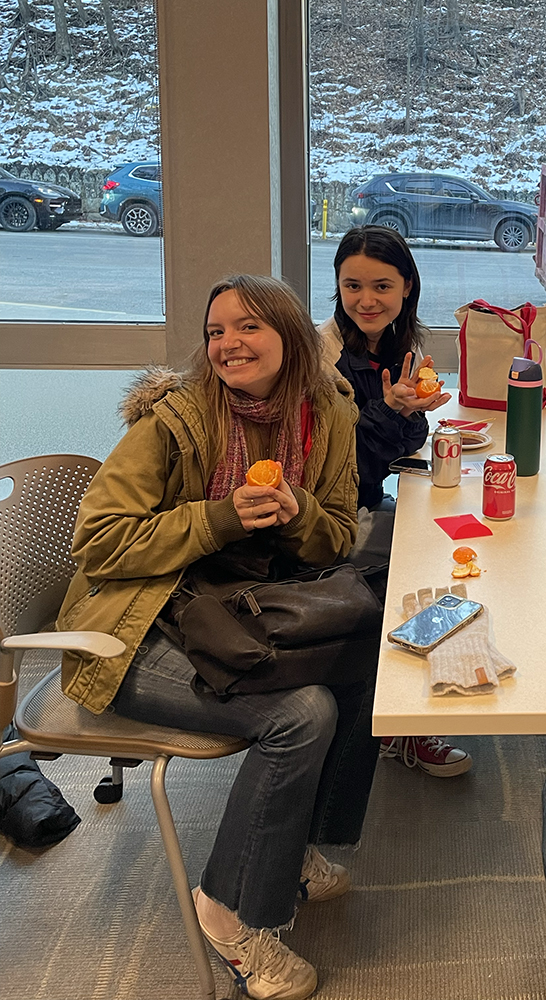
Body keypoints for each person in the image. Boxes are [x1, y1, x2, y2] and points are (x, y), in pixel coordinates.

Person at [57, 274, 376, 1000]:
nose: (227, 343)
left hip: (228, 605)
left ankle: (290, 849)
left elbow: (336, 535)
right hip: (129, 626)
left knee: (365, 658)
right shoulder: (173, 422)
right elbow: (97, 542)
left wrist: (295, 513)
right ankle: (229, 915)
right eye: (215, 331)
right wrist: (220, 517)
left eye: (247, 326)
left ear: (291, 334)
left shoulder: (325, 413)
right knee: (303, 715)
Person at [319, 224, 473, 778]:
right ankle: (404, 726)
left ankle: (413, 709)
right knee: (428, 564)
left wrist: (407, 412)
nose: (366, 299)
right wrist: (391, 412)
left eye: (381, 285)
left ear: (407, 286)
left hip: (367, 499)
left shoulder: (398, 345)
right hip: (325, 519)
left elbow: (400, 450)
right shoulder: (322, 355)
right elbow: (337, 469)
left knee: (450, 542)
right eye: (352, 285)